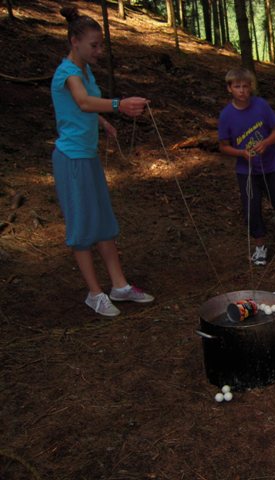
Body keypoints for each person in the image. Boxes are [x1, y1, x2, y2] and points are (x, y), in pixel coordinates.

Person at [51, 6, 154, 317]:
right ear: (75, 42)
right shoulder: (68, 72)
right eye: (94, 45)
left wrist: (102, 121)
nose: (99, 51)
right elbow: (82, 101)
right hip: (71, 160)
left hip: (88, 157)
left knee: (104, 223)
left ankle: (119, 285)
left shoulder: (85, 71)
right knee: (82, 226)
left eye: (100, 45)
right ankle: (94, 293)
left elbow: (83, 107)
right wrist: (118, 106)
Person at [218, 67, 275, 266]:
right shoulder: (226, 115)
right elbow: (223, 146)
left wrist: (266, 143)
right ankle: (260, 245)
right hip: (247, 171)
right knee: (251, 208)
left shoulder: (261, 106)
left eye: (245, 86)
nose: (242, 91)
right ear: (229, 88)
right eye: (237, 87)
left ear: (251, 87)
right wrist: (241, 153)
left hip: (272, 165)